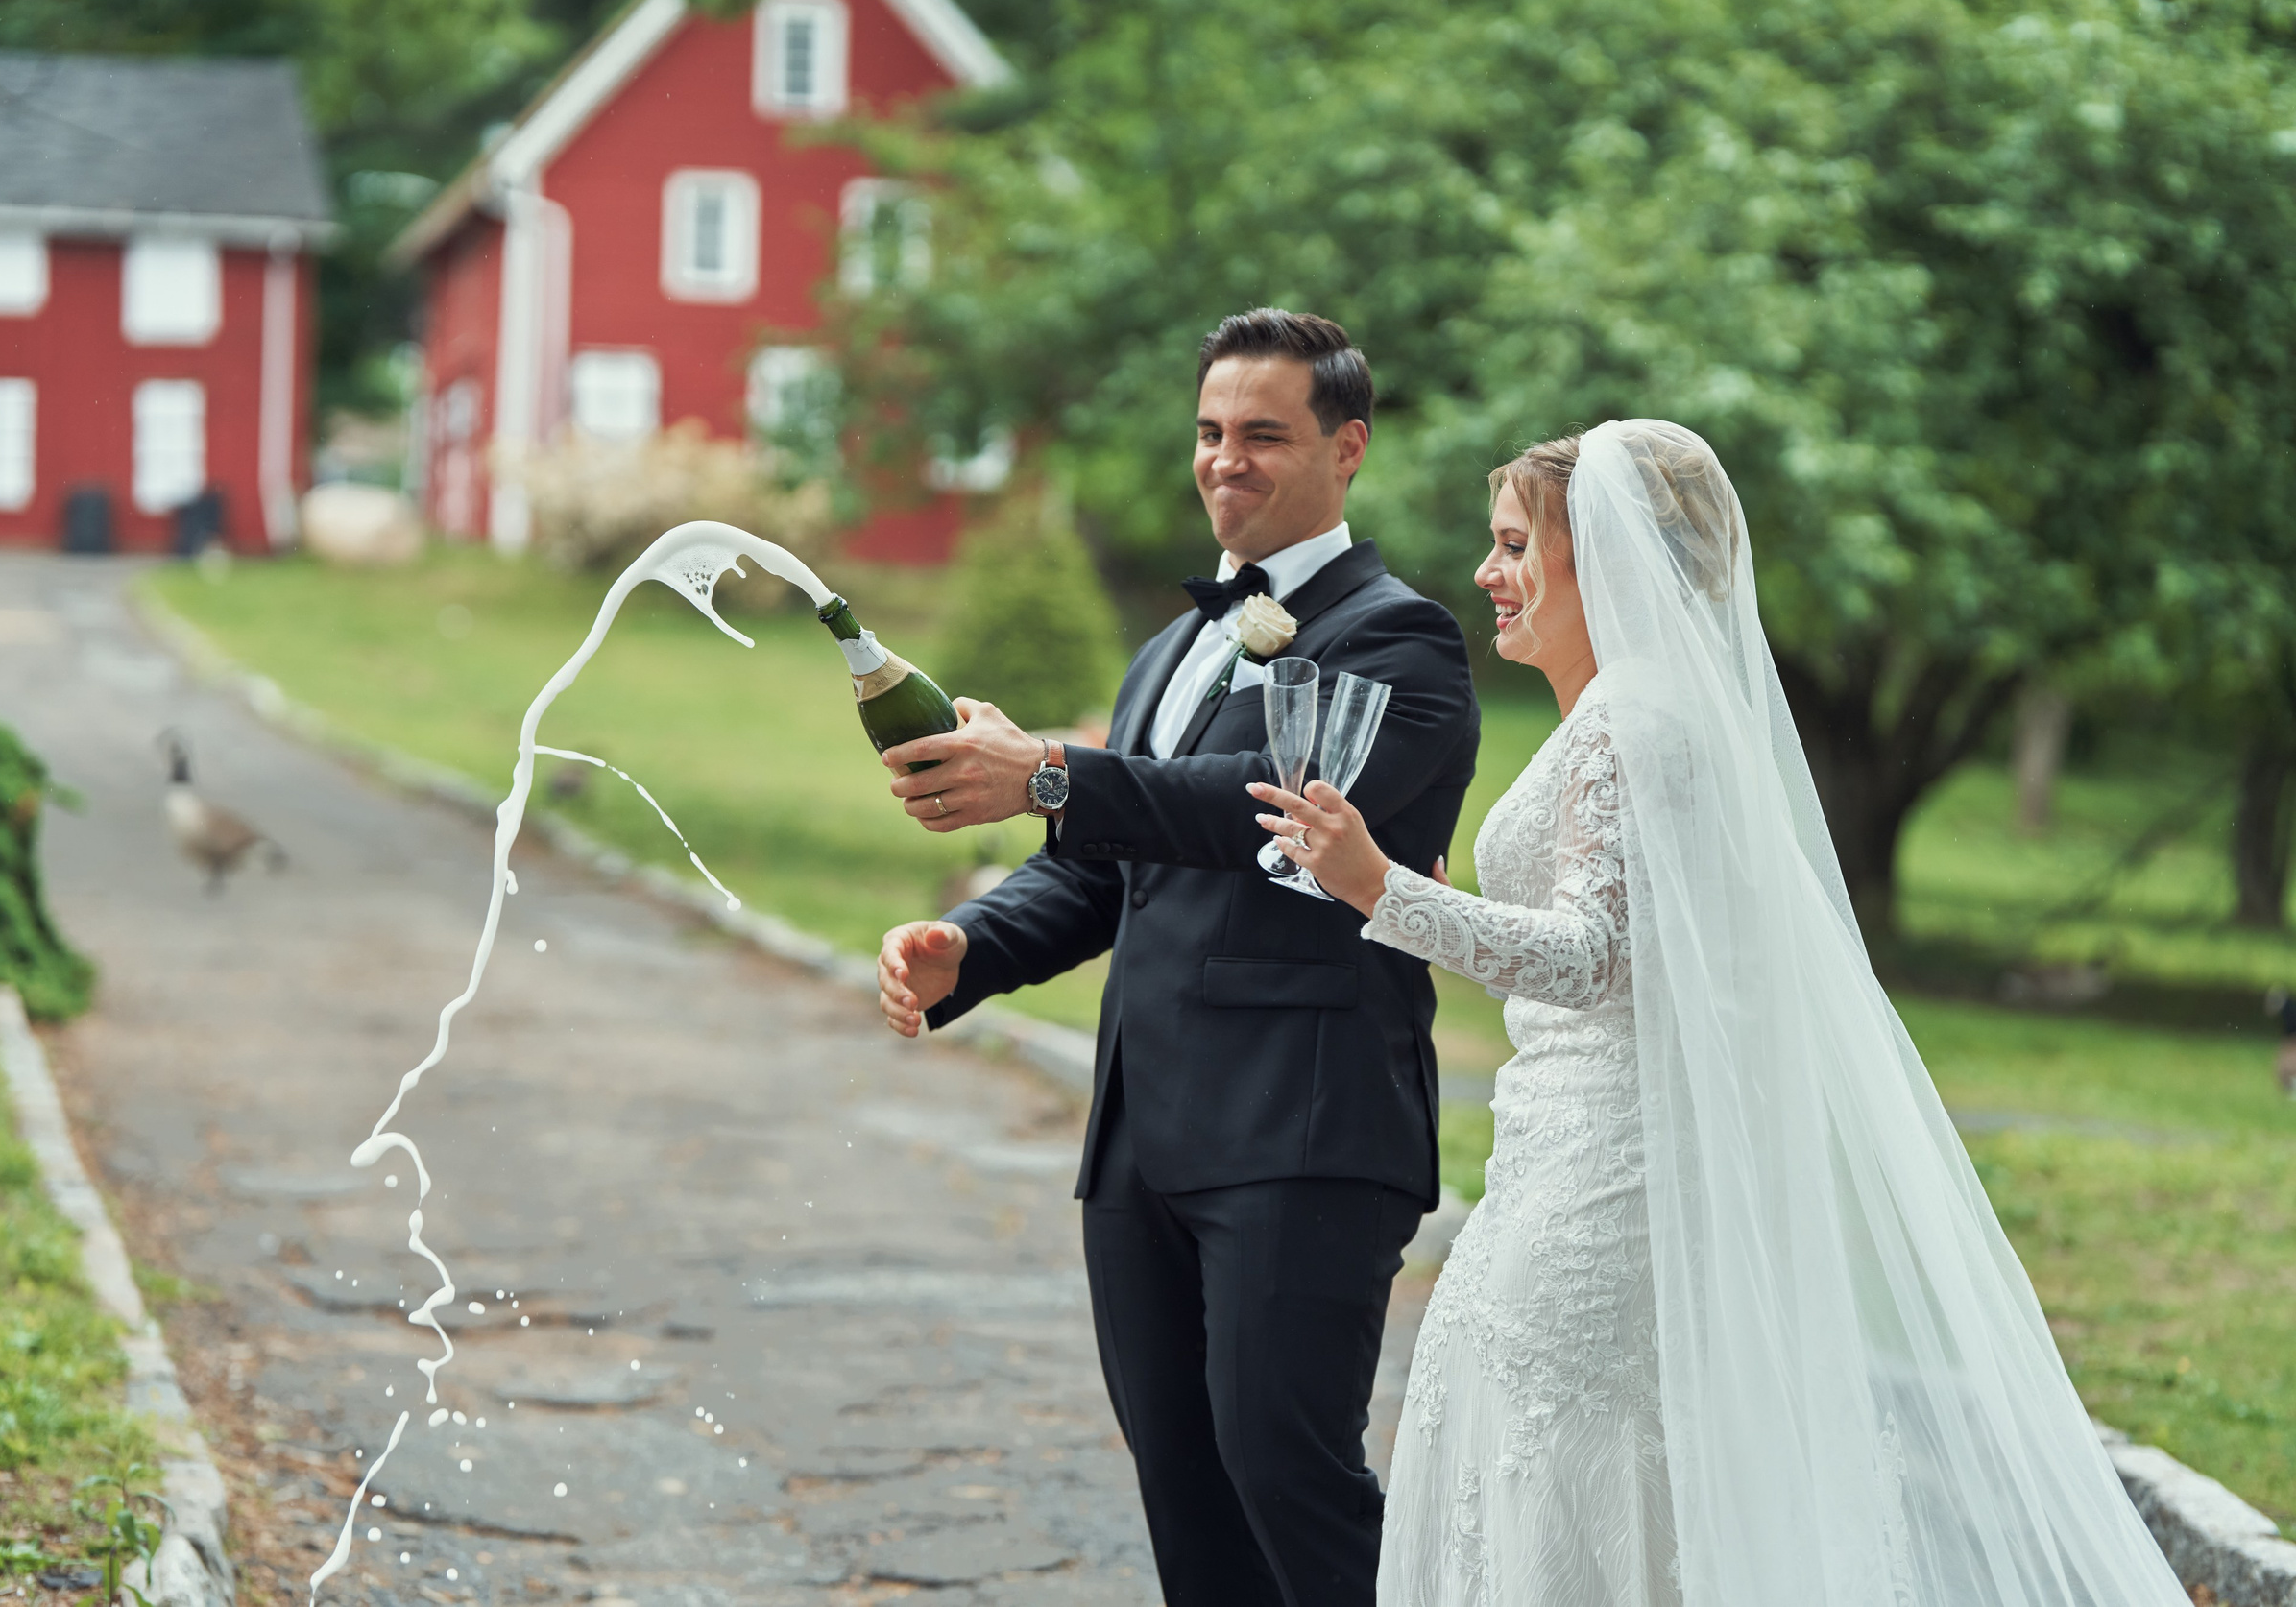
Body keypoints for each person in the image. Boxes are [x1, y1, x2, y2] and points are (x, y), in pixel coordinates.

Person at [1251, 420, 2190, 1607]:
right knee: (1538, 1442)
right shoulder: (1630, 714)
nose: (1486, 575)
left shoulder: (1635, 720)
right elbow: (1629, 953)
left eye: (1511, 547)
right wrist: (1417, 897)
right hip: (1569, 1144)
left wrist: (1386, 889)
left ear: (1603, 558)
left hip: (1605, 1173)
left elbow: (1591, 960)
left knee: (1568, 1464)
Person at [873, 308, 1481, 1606]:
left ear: (1348, 447)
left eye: (1264, 433)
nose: (1226, 460)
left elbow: (1260, 797)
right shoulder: (1168, 647)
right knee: (1187, 1493)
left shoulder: (1403, 639)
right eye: (1210, 432)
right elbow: (1106, 861)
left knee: (1289, 1471)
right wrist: (964, 946)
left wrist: (1046, 767)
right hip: (1143, 1140)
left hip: (1306, 1129)